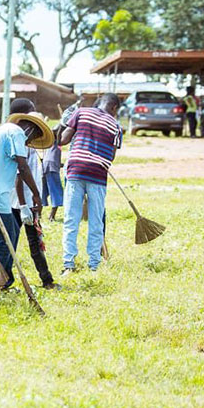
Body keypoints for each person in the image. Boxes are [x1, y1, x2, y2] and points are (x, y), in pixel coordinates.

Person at [0, 107, 53, 292]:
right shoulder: (17, 132)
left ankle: (2, 280)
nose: (29, 143)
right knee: (8, 238)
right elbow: (23, 167)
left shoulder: (2, 131)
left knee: (10, 233)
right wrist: (36, 195)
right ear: (31, 130)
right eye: (32, 138)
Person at [60, 93, 122, 273]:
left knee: (71, 219)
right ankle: (93, 265)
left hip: (76, 170)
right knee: (96, 221)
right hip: (98, 175)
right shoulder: (116, 126)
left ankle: (68, 264)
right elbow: (111, 156)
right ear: (114, 108)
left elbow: (63, 140)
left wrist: (66, 122)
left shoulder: (81, 112)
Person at [8, 99, 57, 290]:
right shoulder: (22, 144)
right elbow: (19, 176)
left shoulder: (30, 145)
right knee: (8, 243)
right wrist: (23, 205)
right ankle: (0, 280)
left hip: (28, 201)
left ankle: (46, 279)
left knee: (35, 242)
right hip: (18, 203)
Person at [42, 125, 63, 222]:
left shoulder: (50, 143)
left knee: (44, 191)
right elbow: (56, 130)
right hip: (51, 167)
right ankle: (51, 216)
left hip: (46, 166)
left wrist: (60, 164)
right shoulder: (56, 140)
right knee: (55, 191)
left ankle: (38, 215)